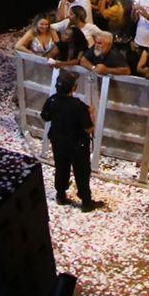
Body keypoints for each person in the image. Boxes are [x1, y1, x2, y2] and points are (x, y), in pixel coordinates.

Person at [40, 71, 103, 212]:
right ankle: (86, 202)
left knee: (61, 167)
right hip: (77, 145)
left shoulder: (52, 100)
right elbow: (88, 128)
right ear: (73, 88)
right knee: (81, 171)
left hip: (58, 141)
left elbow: (45, 117)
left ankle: (60, 195)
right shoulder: (78, 106)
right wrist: (91, 115)